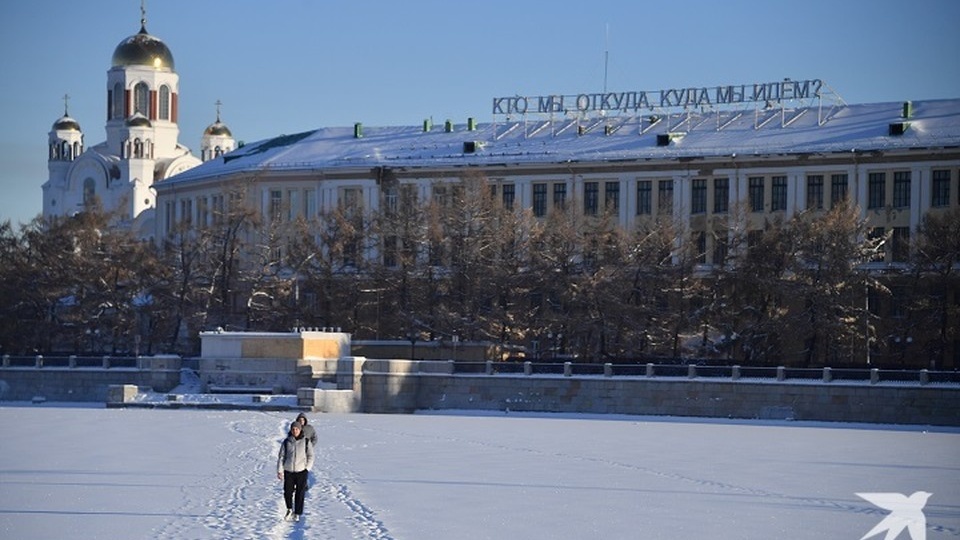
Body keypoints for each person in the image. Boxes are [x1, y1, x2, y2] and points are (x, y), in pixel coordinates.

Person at [277, 422, 314, 522]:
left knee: (300, 493)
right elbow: (281, 457)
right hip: (288, 471)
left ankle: (297, 512)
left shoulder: (306, 441)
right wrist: (280, 470)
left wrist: (307, 468)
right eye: (293, 429)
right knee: (287, 492)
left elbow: (311, 456)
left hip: (301, 471)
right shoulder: (286, 442)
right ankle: (289, 508)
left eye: (296, 429)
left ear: (300, 430)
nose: (295, 431)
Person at [295, 413, 318, 491]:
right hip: (296, 451)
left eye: (303, 420)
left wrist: (310, 446)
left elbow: (315, 438)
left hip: (306, 451)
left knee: (304, 468)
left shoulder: (310, 428)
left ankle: (304, 484)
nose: (301, 421)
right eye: (300, 420)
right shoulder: (295, 428)